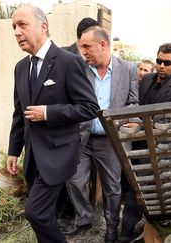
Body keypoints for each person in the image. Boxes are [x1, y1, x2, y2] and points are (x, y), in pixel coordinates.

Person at [7, 5, 99, 242]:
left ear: (43, 26)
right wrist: (13, 151)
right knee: (45, 213)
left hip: (58, 156)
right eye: (14, 26)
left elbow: (89, 108)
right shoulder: (20, 68)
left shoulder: (68, 62)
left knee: (34, 212)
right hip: (33, 159)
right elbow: (20, 113)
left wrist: (48, 112)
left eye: (23, 25)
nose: (17, 32)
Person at [64, 26, 138, 243]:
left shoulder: (128, 69)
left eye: (86, 47)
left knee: (112, 188)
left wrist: (126, 122)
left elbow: (133, 102)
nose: (83, 52)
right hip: (82, 138)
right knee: (74, 179)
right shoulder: (80, 67)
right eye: (81, 47)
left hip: (111, 141)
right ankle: (84, 219)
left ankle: (111, 227)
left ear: (103, 45)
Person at [119, 43, 171, 243]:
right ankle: (131, 230)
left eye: (167, 62)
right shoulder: (146, 79)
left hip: (160, 152)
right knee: (130, 189)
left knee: (139, 195)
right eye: (159, 61)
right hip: (135, 145)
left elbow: (166, 124)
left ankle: (126, 235)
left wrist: (138, 121)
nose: (161, 65)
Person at [57, 17, 99, 223]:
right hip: (72, 129)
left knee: (90, 177)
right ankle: (68, 211)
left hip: (98, 130)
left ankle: (87, 214)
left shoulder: (98, 55)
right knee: (70, 175)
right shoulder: (62, 55)